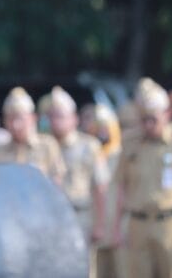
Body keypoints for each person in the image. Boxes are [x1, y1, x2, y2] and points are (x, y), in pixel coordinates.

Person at [112, 78, 172, 278]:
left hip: (171, 224)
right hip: (138, 223)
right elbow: (121, 186)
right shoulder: (130, 142)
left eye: (154, 119)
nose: (149, 124)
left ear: (167, 114)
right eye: (144, 119)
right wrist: (117, 227)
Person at [47, 87, 109, 278]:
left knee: (83, 270)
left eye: (61, 116)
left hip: (80, 216)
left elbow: (100, 187)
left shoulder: (89, 146)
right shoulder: (43, 146)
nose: (55, 121)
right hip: (50, 219)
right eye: (52, 116)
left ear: (74, 118)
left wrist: (99, 224)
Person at [0, 86, 66, 184]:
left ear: (32, 118)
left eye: (20, 118)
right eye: (10, 119)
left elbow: (57, 182)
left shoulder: (47, 146)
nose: (15, 125)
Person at [88, 105, 126, 278]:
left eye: (105, 128)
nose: (102, 133)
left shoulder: (122, 155)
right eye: (98, 128)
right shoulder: (90, 153)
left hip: (119, 225)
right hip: (96, 224)